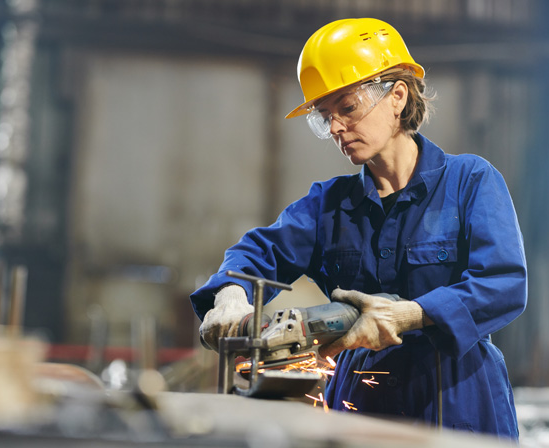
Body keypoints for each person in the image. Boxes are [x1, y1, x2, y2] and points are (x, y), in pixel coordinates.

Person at [190, 17, 527, 440]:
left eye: (346, 108)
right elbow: (257, 253)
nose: (334, 128)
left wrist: (411, 314)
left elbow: (503, 285)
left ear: (397, 97)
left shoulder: (469, 181)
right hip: (362, 397)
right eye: (325, 116)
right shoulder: (329, 206)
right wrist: (230, 295)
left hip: (457, 395)